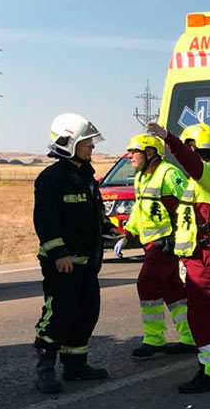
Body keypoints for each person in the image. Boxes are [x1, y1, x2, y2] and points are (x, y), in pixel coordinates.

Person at [144, 121, 210, 393]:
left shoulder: (208, 173)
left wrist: (167, 138)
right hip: (208, 254)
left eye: (188, 147)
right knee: (208, 310)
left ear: (194, 147)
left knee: (199, 316)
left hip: (207, 256)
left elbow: (189, 162)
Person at [32, 113, 113, 393]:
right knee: (58, 314)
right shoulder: (51, 179)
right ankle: (45, 369)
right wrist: (59, 254)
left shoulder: (86, 176)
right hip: (62, 264)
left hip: (88, 262)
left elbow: (95, 213)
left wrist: (110, 230)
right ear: (68, 143)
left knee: (87, 312)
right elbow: (45, 221)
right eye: (86, 142)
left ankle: (75, 366)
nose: (92, 147)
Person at [123, 133, 195, 359]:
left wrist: (180, 235)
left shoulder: (169, 174)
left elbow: (190, 203)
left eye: (135, 151)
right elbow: (140, 209)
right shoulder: (141, 177)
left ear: (150, 153)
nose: (130, 156)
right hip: (151, 244)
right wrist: (127, 233)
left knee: (147, 284)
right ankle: (190, 336)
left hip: (165, 244)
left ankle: (154, 339)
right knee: (173, 289)